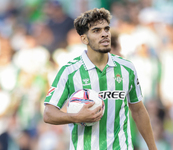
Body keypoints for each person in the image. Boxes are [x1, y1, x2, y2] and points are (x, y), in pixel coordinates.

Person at [43, 8, 157, 150]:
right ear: (84, 38)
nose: (104, 34)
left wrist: (153, 148)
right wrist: (76, 117)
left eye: (106, 29)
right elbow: (48, 114)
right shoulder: (70, 71)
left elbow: (139, 110)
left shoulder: (126, 68)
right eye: (96, 31)